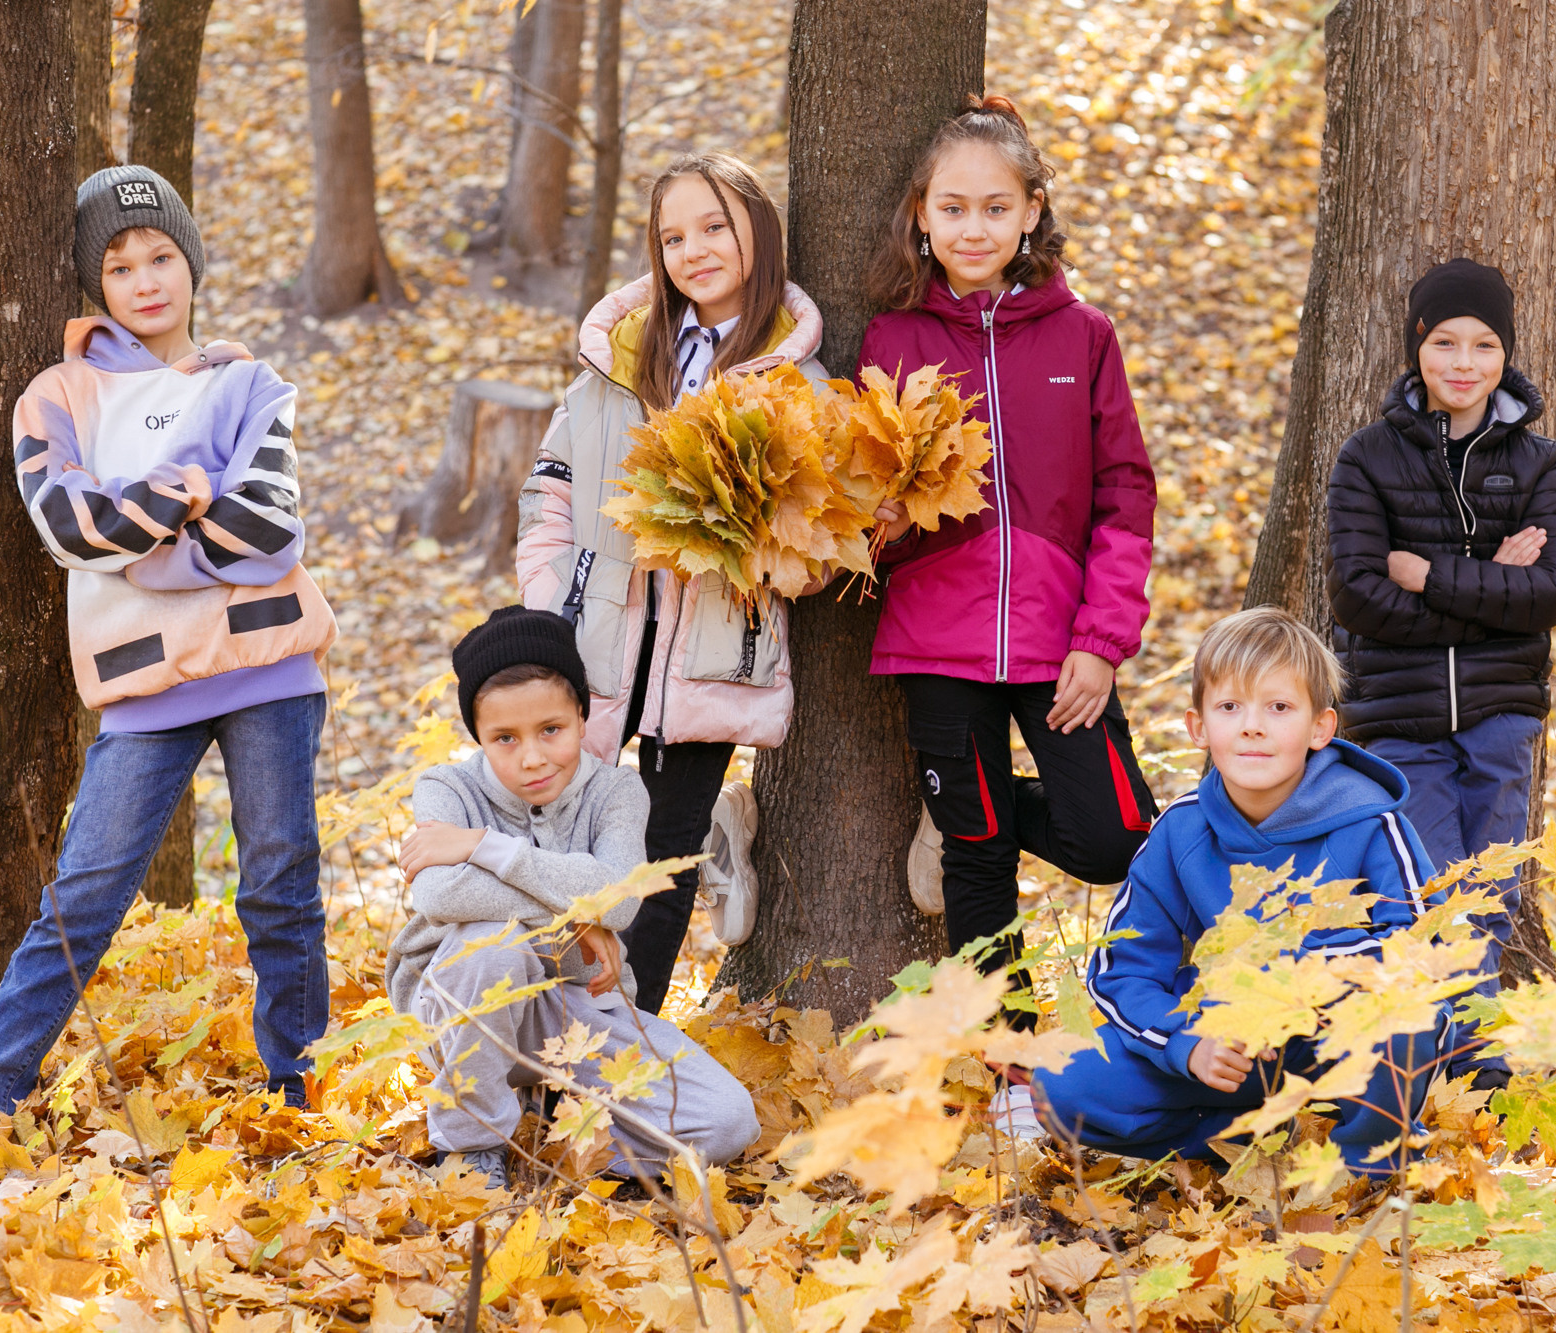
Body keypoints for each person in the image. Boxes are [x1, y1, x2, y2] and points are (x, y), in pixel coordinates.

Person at [0, 166, 337, 1141]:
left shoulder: (249, 382)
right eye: (120, 265)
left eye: (162, 256)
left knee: (280, 882)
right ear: (94, 283)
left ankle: (298, 1096)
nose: (146, 279)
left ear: (189, 263)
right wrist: (184, 494)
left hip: (267, 661)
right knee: (85, 895)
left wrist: (145, 534)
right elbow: (67, 525)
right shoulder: (59, 395)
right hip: (143, 683)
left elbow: (268, 532)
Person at [857, 95, 1160, 1133]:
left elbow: (1125, 497)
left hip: (1058, 645)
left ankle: (960, 813)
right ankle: (1013, 1077)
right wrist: (881, 520)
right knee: (977, 862)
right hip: (933, 644)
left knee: (1119, 834)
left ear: (1031, 212)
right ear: (922, 217)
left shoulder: (1084, 335)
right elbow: (859, 510)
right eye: (953, 207)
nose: (974, 226)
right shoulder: (888, 341)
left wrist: (1100, 642)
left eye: (995, 206)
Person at [516, 151, 828, 1016]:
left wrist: (752, 536)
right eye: (673, 235)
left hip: (710, 661)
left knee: (660, 862)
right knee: (561, 845)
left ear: (758, 231)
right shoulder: (617, 359)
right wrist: (555, 601)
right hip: (595, 646)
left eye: (715, 226)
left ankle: (621, 1054)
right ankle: (532, 1047)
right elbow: (549, 489)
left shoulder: (797, 379)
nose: (694, 249)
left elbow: (816, 544)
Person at [1031, 607, 1455, 1177]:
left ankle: (1368, 1165)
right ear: (1199, 727)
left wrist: (1294, 973)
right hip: (1232, 1047)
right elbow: (1122, 971)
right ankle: (1255, 1143)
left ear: (1320, 728)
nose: (1252, 726)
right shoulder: (1182, 831)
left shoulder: (1370, 822)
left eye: (1278, 708)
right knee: (1063, 1082)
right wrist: (1187, 1045)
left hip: (1339, 1038)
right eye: (1230, 707)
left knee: (1409, 1015)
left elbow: (1421, 952)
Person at [384, 607, 761, 1190]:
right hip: (462, 1005)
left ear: (583, 717)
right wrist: (576, 914)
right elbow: (439, 893)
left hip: (579, 1008)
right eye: (504, 739)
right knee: (490, 943)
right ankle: (472, 1147)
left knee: (727, 1125)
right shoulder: (446, 787)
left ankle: (554, 1128)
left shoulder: (617, 791)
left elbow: (619, 902)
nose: (532, 758)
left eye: (550, 730)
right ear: (477, 737)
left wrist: (488, 848)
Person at [1326, 258, 1556, 1083]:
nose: (1462, 362)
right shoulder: (1366, 459)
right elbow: (1359, 595)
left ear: (1505, 355)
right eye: (1444, 342)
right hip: (1400, 718)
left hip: (1503, 714)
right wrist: (1490, 581)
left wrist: (1429, 573)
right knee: (1431, 886)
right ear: (1416, 349)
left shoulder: (1538, 463)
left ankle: (1460, 1059)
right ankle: (1471, 1065)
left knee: (1496, 886)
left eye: (1482, 344)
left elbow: (1549, 591)